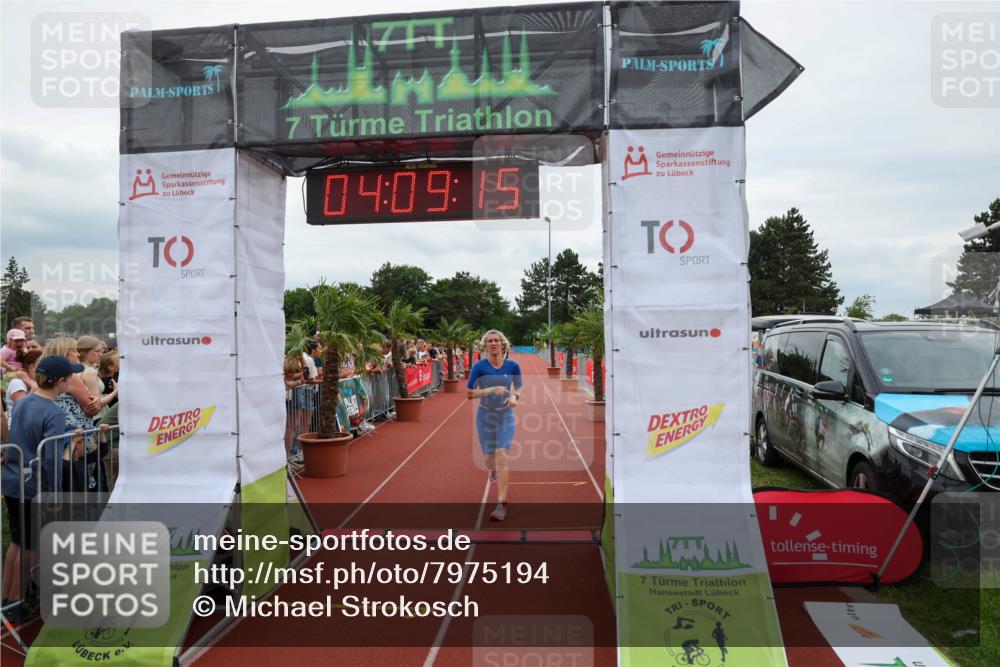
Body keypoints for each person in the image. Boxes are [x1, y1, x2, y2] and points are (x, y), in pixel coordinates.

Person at [1, 355, 79, 621]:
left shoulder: (25, 402)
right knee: (31, 544)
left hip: (13, 480)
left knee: (18, 541)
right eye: (71, 377)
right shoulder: (54, 412)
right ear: (60, 382)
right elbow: (51, 458)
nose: (73, 381)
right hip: (34, 486)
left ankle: (7, 597)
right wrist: (54, 492)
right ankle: (18, 600)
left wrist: (68, 430)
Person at [466, 330, 522, 522]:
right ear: (485, 345)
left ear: (502, 344)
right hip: (485, 416)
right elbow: (469, 393)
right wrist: (488, 390)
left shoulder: (513, 366)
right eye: (489, 341)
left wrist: (515, 396)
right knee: (489, 460)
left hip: (505, 416)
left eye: (496, 340)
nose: (493, 343)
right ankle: (493, 470)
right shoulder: (479, 367)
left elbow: (520, 386)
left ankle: (501, 504)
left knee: (501, 454)